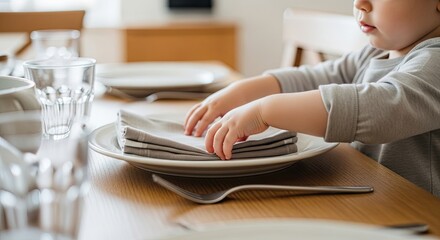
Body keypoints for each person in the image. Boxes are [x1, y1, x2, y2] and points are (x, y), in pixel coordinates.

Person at [183, 0, 440, 197]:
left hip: (417, 215)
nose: (360, 3)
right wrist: (242, 91)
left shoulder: (435, 62)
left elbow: (383, 110)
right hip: (367, 195)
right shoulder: (375, 53)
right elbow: (318, 77)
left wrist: (266, 110)